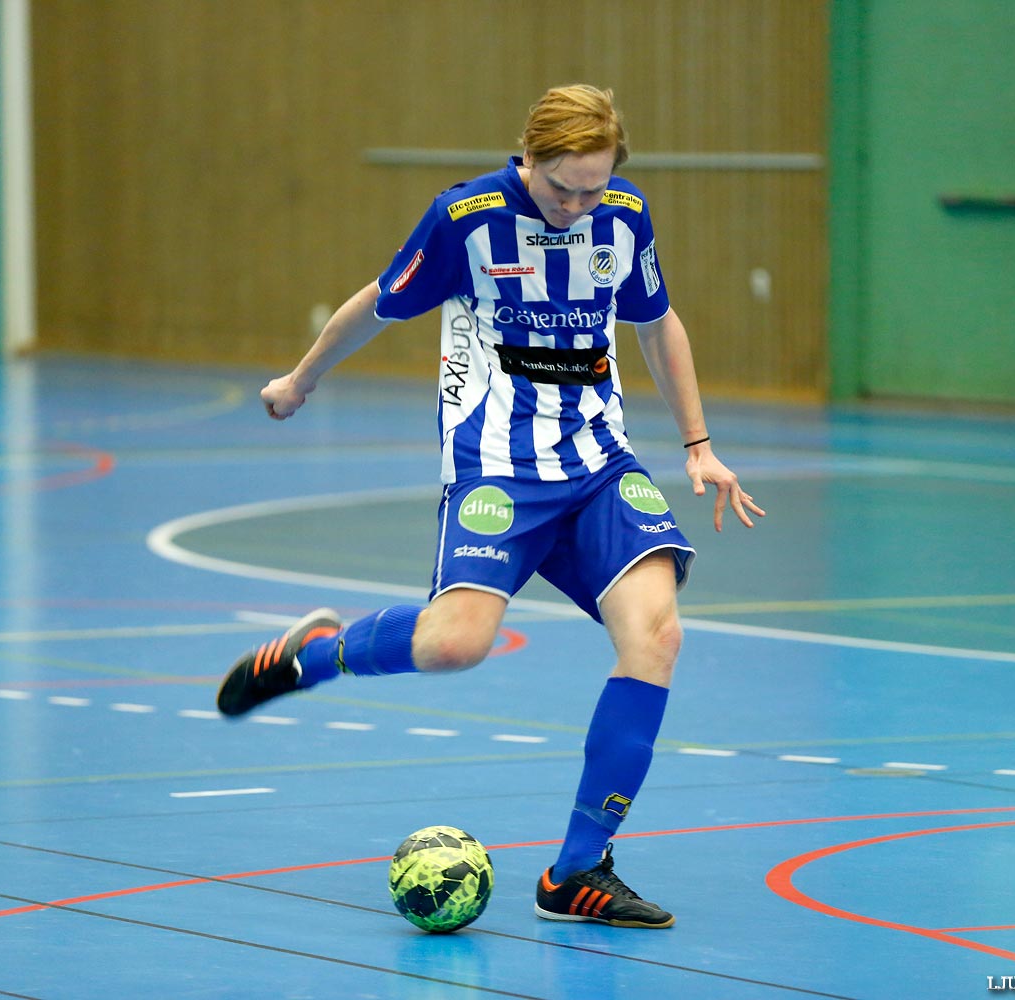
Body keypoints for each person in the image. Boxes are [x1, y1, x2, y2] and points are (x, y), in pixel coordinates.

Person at [216, 84, 764, 929]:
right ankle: (320, 652)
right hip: (496, 468)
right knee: (454, 645)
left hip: (597, 462)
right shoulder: (465, 217)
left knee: (657, 635)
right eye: (562, 189)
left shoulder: (623, 215)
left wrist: (698, 443)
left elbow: (656, 322)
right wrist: (302, 378)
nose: (578, 206)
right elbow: (378, 302)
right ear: (528, 158)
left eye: (593, 188)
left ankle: (579, 871)